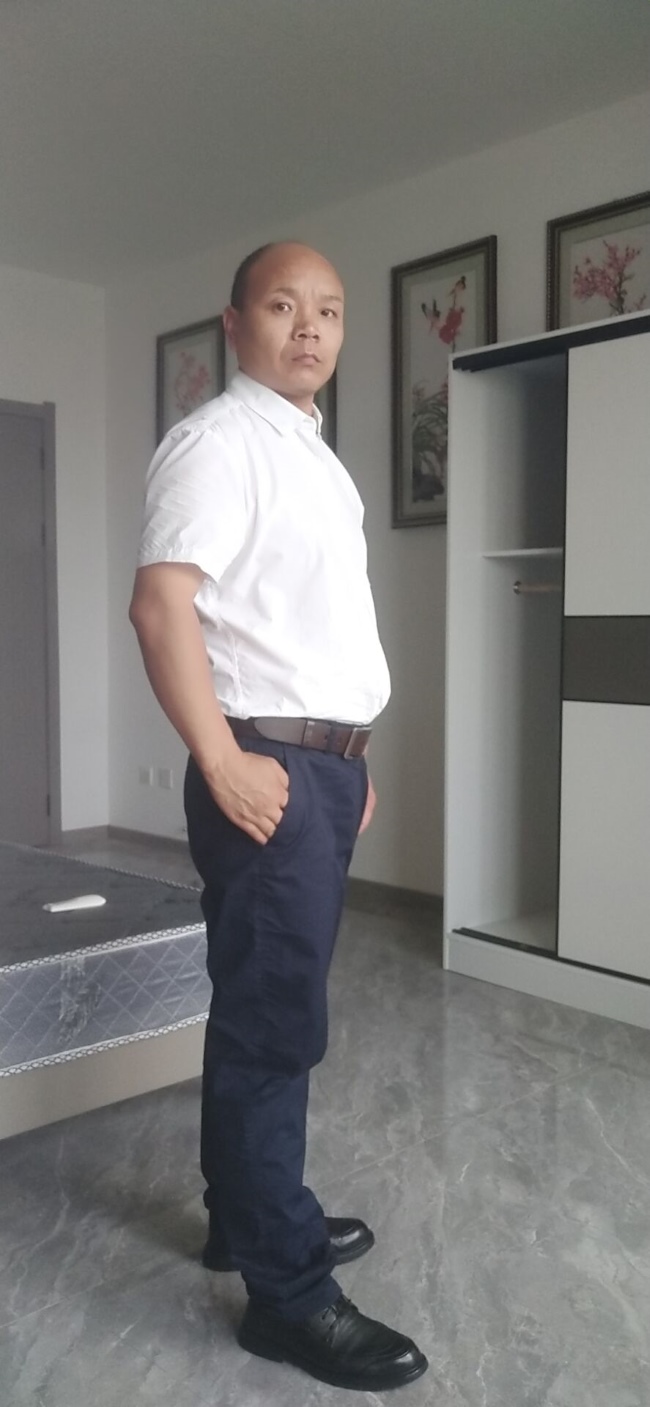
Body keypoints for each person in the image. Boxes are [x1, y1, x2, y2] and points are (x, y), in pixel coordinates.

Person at [129, 241, 428, 1392]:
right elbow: (161, 607)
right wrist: (223, 759)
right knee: (274, 1028)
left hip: (318, 768)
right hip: (265, 768)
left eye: (330, 311)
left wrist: (349, 757)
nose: (310, 327)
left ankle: (240, 1220)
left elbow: (310, 628)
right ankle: (286, 1296)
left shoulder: (312, 457)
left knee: (261, 1008)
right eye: (282, 305)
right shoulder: (217, 442)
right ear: (234, 322)